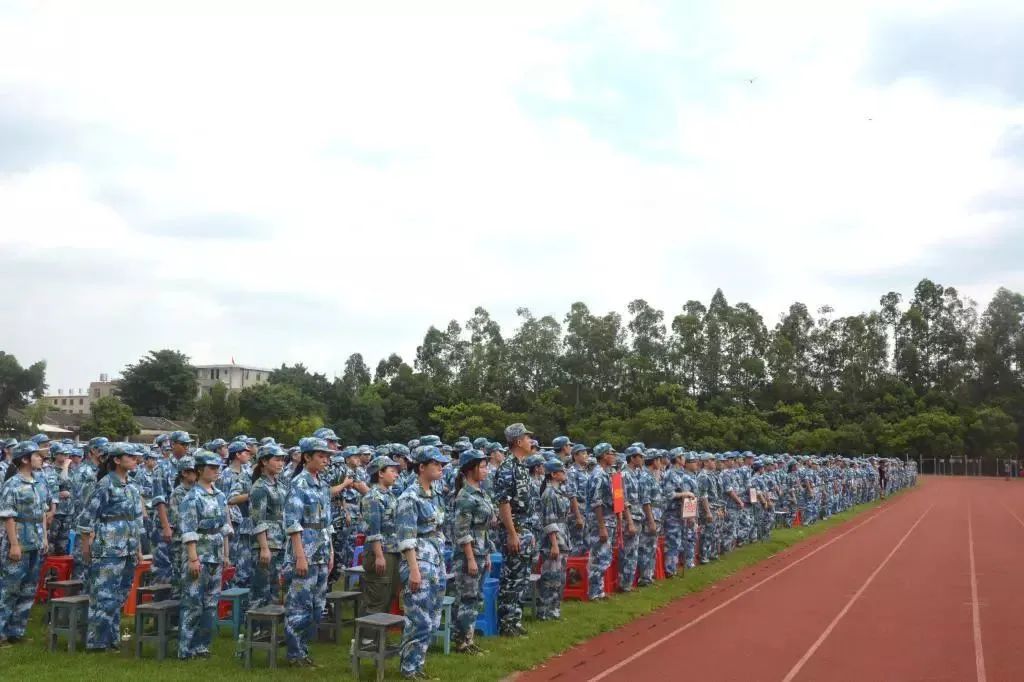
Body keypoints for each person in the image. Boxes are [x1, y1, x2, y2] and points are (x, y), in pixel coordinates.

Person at [78, 442, 145, 653]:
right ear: (116, 460)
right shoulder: (105, 484)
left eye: (135, 456)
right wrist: (86, 545)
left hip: (128, 546)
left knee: (120, 594)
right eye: (130, 456)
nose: (135, 459)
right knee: (103, 595)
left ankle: (112, 638)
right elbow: (88, 516)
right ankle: (97, 642)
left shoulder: (131, 486)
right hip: (108, 546)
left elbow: (136, 520)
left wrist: (138, 549)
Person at [396, 445, 449, 679]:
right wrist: (414, 570)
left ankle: (418, 664)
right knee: (418, 619)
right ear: (421, 467)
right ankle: (408, 668)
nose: (440, 467)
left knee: (433, 617)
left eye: (441, 464)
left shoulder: (436, 493)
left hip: (435, 560)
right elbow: (406, 539)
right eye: (435, 464)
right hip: (418, 562)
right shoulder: (409, 497)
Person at [283, 437, 334, 668]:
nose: (326, 460)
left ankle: (304, 649)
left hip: (322, 550)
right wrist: (300, 556)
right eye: (321, 456)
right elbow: (293, 524)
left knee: (317, 605)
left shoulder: (322, 484)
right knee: (299, 604)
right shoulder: (299, 484)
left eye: (327, 456)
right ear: (307, 457)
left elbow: (328, 522)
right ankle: (295, 654)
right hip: (305, 550)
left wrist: (331, 550)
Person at [178, 451, 231, 660]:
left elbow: (224, 527)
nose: (216, 471)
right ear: (200, 470)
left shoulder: (219, 495)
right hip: (199, 553)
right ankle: (186, 648)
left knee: (210, 603)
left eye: (218, 468)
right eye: (212, 468)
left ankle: (202, 647)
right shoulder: (192, 497)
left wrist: (226, 554)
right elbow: (188, 531)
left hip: (216, 554)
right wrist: (193, 558)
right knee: (193, 602)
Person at [0, 441, 48, 646]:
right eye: (37, 456)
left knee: (28, 589)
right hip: (19, 540)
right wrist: (14, 544)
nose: (41, 459)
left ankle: (16, 631)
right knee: (10, 588)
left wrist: (44, 537)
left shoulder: (39, 481)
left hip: (36, 541)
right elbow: (8, 516)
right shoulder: (13, 484)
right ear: (25, 459)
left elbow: (43, 512)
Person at [493, 423, 537, 636]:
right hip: (515, 529)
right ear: (518, 441)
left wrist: (530, 532)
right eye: (528, 438)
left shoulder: (522, 467)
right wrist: (512, 533)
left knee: (523, 577)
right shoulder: (508, 468)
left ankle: (515, 620)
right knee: (512, 578)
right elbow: (504, 503)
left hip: (526, 529)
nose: (531, 441)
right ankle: (506, 623)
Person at [451, 448, 494, 654]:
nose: (486, 470)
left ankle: (469, 638)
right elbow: (463, 531)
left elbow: (484, 528)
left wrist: (485, 555)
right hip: (468, 554)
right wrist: (470, 558)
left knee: (476, 597)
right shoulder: (465, 496)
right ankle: (461, 641)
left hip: (480, 549)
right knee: (467, 597)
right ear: (471, 470)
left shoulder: (481, 492)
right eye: (483, 467)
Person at [360, 455, 402, 618]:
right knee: (376, 597)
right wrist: (378, 556)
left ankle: (379, 641)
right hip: (380, 552)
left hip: (392, 551)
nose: (396, 474)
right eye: (392, 471)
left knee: (389, 595)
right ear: (380, 473)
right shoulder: (373, 497)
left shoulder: (389, 495)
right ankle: (366, 640)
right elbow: (373, 531)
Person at [249, 444, 289, 609]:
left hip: (280, 540)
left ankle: (269, 628)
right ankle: (255, 627)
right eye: (277, 459)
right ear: (264, 462)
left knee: (275, 586)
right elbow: (258, 519)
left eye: (283, 460)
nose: (281, 463)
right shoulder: (259, 487)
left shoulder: (279, 484)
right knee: (261, 589)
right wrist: (264, 547)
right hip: (267, 543)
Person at [537, 459, 570, 620]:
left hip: (563, 536)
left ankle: (554, 609)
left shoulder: (559, 491)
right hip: (554, 539)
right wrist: (554, 544)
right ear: (553, 474)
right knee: (550, 578)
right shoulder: (549, 494)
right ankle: (545, 611)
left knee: (560, 577)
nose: (564, 473)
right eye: (561, 471)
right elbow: (549, 521)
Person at [585, 443, 619, 600]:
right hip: (601, 520)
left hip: (608, 519)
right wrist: (601, 527)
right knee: (599, 556)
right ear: (604, 455)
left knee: (604, 556)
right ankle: (594, 593)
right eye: (611, 453)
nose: (614, 455)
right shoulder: (598, 475)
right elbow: (596, 502)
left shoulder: (607, 473)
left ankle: (599, 591)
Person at [221, 441, 253, 588]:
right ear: (237, 455)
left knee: (245, 558)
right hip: (232, 520)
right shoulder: (226, 474)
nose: (248, 455)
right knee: (232, 557)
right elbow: (225, 500)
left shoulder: (247, 473)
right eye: (245, 452)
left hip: (246, 519)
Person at [168, 456, 198, 598]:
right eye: (193, 471)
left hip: (194, 540)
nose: (197, 474)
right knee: (180, 577)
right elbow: (177, 520)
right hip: (180, 542)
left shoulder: (197, 491)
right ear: (184, 473)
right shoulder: (178, 493)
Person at [619, 447, 643, 591]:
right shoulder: (622, 475)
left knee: (633, 552)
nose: (642, 459)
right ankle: (624, 584)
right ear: (632, 458)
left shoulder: (636, 474)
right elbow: (621, 500)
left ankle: (628, 583)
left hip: (637, 516)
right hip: (629, 518)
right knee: (627, 553)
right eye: (639, 456)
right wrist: (629, 522)